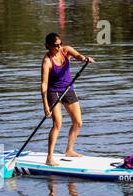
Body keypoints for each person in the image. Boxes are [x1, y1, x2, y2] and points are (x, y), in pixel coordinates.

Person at [41, 32, 96, 166]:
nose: (59, 48)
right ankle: (49, 158)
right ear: (48, 46)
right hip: (53, 92)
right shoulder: (47, 61)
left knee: (78, 122)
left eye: (60, 44)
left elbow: (78, 56)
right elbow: (44, 85)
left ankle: (69, 150)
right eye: (55, 46)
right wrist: (46, 106)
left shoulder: (66, 50)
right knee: (58, 124)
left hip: (68, 89)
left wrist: (85, 59)